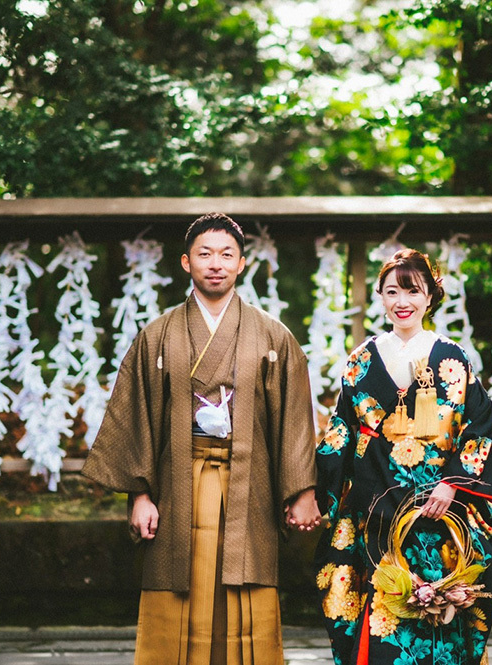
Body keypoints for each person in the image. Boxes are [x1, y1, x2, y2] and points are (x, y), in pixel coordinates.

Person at [82, 212, 322, 665]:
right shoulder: (157, 335)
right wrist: (139, 493)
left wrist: (301, 490)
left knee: (246, 586)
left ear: (242, 264)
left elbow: (294, 418)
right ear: (185, 262)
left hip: (249, 483)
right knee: (176, 583)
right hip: (176, 481)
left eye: (226, 254)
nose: (216, 263)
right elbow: (136, 417)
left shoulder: (273, 335)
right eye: (205, 254)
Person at [314, 248, 492, 665]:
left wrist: (451, 483)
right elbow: (340, 433)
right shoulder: (362, 360)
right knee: (382, 616)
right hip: (376, 505)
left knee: (443, 615)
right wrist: (315, 496)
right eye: (391, 291)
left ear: (429, 297)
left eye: (412, 291)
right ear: (381, 299)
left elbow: (478, 428)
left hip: (441, 509)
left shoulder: (452, 357)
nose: (402, 302)